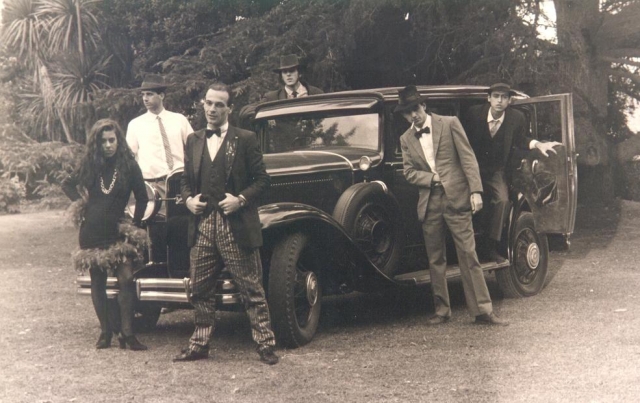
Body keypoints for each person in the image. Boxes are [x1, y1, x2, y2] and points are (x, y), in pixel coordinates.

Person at [173, 83, 279, 364]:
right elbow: (185, 180)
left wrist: (240, 199)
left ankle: (265, 344)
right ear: (203, 104)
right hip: (203, 225)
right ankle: (199, 344)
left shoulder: (245, 139)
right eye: (209, 103)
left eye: (219, 104)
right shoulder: (193, 139)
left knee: (251, 288)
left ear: (229, 109)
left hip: (236, 225)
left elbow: (263, 180)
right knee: (199, 288)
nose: (212, 109)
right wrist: (188, 200)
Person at [397, 85, 508, 326]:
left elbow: (468, 158)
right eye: (407, 112)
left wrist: (476, 191)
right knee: (435, 259)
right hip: (429, 203)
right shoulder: (405, 139)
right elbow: (409, 172)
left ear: (423, 105)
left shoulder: (449, 123)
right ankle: (442, 310)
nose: (413, 115)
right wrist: (431, 178)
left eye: (415, 109)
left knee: (468, 253)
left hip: (457, 197)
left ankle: (482, 310)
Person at [62, 119, 150, 350]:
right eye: (103, 141)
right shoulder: (90, 164)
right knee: (98, 281)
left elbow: (143, 198)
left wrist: (135, 225)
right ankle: (105, 332)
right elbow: (67, 184)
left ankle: (128, 334)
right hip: (92, 231)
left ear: (119, 141)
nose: (108, 145)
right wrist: (82, 206)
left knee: (126, 279)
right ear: (97, 143)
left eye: (112, 140)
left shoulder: (129, 166)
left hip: (117, 232)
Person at [464, 83, 561, 262]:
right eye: (496, 96)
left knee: (503, 201)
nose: (499, 101)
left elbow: (521, 140)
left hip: (496, 170)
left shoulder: (516, 118)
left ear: (509, 100)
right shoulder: (473, 114)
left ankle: (490, 247)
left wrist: (539, 144)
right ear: (488, 98)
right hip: (470, 169)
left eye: (504, 97)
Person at [126, 74, 194, 198]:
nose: (145, 99)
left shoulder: (179, 120)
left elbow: (194, 149)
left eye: (149, 94)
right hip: (152, 186)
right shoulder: (135, 124)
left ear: (161, 96)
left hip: (180, 183)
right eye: (143, 95)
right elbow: (129, 157)